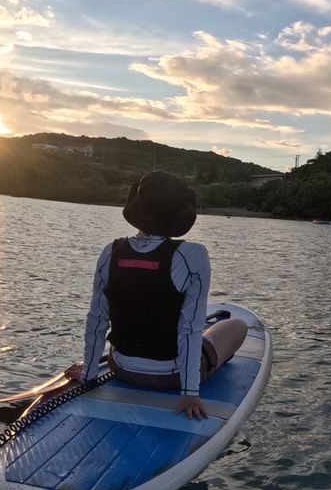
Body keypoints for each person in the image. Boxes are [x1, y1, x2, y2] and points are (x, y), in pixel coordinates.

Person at [64, 170, 247, 419]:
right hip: (171, 376)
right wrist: (190, 393)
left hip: (121, 367)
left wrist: (88, 373)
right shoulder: (193, 255)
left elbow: (97, 318)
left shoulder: (110, 251)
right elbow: (190, 328)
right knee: (237, 326)